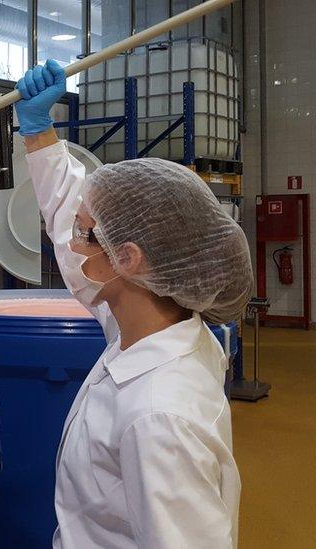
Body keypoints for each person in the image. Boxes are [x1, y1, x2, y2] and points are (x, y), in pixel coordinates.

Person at [15, 59, 253, 548]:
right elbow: (69, 220)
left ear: (127, 258)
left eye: (86, 235)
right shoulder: (150, 324)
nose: (70, 244)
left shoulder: (159, 416)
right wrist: (39, 134)